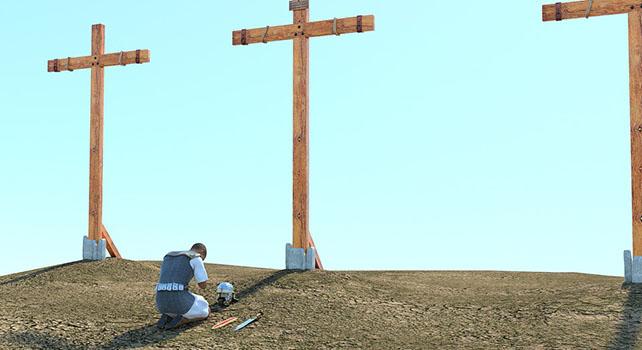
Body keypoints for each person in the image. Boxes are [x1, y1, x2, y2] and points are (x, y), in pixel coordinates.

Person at [155, 243, 210, 330]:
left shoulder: (168, 256)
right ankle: (184, 319)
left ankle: (168, 316)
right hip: (179, 301)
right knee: (205, 308)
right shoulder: (195, 258)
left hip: (160, 303)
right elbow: (203, 285)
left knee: (180, 302)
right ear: (202, 252)